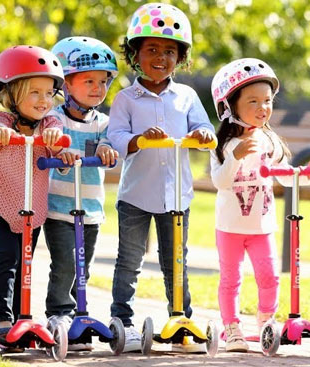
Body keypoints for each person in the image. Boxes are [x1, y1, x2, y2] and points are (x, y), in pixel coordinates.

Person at [106, 2, 216, 353]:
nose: (160, 57)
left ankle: (181, 320)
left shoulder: (186, 96)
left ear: (180, 58)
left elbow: (203, 126)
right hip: (137, 195)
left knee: (176, 263)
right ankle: (122, 320)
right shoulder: (125, 99)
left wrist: (202, 135)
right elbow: (117, 138)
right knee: (129, 260)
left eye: (169, 51)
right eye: (151, 49)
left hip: (176, 198)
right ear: (135, 54)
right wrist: (139, 140)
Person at [210, 58, 310, 352]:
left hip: (261, 226)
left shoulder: (269, 140)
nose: (263, 107)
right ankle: (232, 327)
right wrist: (235, 156)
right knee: (230, 278)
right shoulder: (224, 144)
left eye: (267, 100)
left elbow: (286, 178)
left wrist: (307, 172)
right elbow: (220, 182)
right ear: (229, 106)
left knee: (269, 276)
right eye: (253, 101)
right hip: (230, 226)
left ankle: (265, 322)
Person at [0, 45, 66, 349]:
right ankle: (1, 322)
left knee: (26, 263)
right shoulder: (2, 120)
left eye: (48, 93)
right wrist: (0, 136)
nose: (44, 101)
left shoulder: (50, 123)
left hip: (32, 210)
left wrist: (58, 143)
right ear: (11, 93)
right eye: (34, 93)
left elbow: (59, 144)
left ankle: (23, 319)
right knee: (9, 257)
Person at [42, 36, 120, 352]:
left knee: (83, 267)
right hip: (59, 207)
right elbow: (50, 140)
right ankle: (59, 314)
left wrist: (106, 150)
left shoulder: (103, 122)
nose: (97, 88)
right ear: (66, 84)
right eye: (89, 80)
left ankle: (78, 315)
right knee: (65, 264)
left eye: (103, 82)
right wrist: (58, 151)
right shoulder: (54, 119)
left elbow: (108, 142)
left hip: (90, 208)